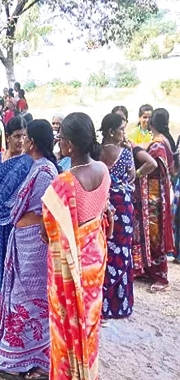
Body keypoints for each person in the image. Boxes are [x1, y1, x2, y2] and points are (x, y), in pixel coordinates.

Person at [43, 112, 112, 380]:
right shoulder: (103, 171)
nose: (58, 144)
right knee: (89, 328)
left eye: (60, 140)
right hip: (95, 262)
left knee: (65, 328)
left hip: (70, 271)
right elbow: (100, 212)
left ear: (69, 145)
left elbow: (48, 232)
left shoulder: (63, 183)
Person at [0, 119, 58, 380]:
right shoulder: (38, 167)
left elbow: (44, 213)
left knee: (28, 301)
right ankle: (26, 359)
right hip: (25, 240)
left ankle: (26, 362)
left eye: (26, 136)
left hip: (34, 246)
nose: (23, 140)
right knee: (25, 300)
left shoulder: (44, 172)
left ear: (34, 142)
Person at [0, 116, 31, 304]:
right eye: (16, 136)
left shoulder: (28, 163)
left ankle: (13, 321)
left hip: (18, 225)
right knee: (1, 270)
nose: (21, 141)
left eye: (24, 136)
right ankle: (1, 316)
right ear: (8, 136)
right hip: (0, 224)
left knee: (16, 272)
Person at [98, 113, 137, 319]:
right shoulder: (125, 154)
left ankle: (99, 301)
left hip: (102, 207)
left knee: (103, 250)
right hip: (122, 208)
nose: (124, 132)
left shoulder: (95, 153)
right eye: (122, 128)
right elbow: (132, 176)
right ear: (111, 131)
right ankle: (117, 304)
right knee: (121, 252)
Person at [136, 108, 176, 292]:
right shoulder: (164, 141)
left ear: (151, 123)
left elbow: (151, 167)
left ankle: (161, 276)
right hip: (157, 194)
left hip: (154, 197)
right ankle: (150, 269)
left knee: (155, 234)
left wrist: (136, 172)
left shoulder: (158, 144)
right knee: (151, 233)